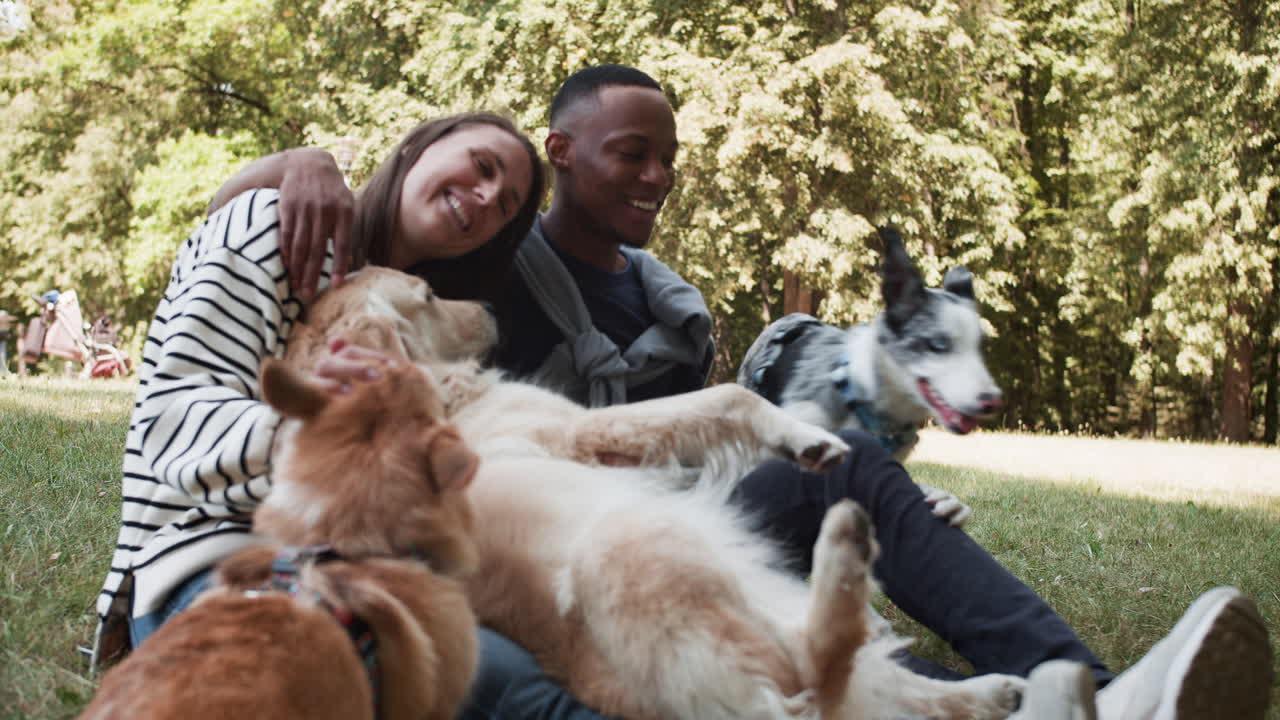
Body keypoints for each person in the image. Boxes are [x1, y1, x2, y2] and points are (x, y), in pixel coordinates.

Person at [221, 68, 1273, 719]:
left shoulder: (660, 301)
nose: (654, 176)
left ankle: (1090, 688)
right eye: (630, 153)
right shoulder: (434, 281)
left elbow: (691, 458)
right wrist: (299, 157)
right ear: (564, 153)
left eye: (667, 160)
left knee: (844, 470)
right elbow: (256, 245)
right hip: (532, 554)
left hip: (641, 511)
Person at [89, 111, 545, 670]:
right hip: (214, 561)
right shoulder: (271, 219)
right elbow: (173, 423)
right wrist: (320, 430)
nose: (486, 196)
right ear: (416, 148)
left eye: (505, 205)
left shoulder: (430, 327)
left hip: (370, 568)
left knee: (543, 668)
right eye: (482, 166)